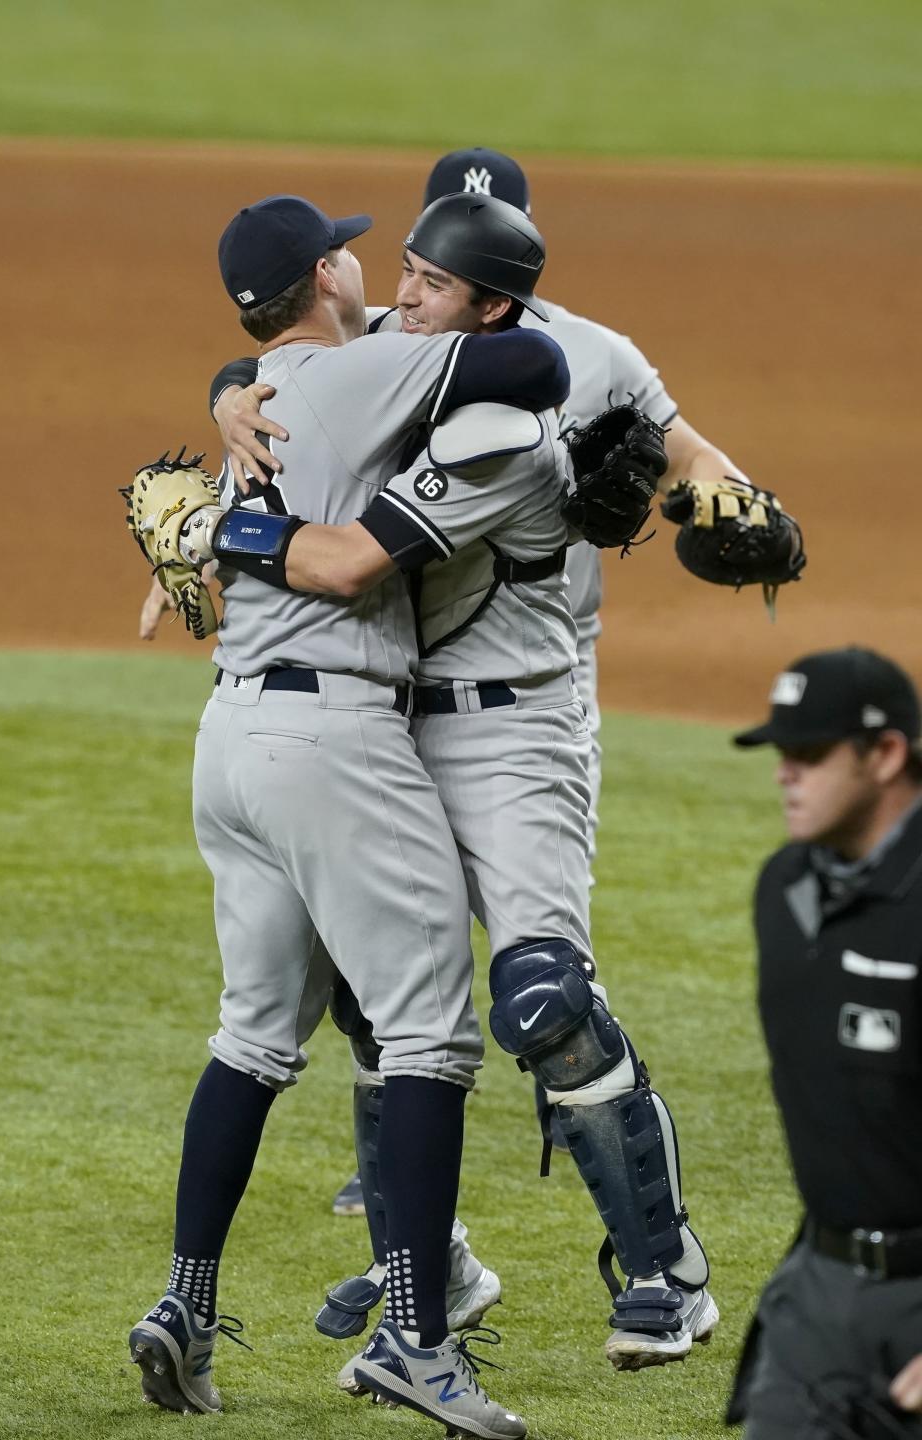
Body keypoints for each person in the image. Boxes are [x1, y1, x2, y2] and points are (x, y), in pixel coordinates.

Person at [189, 192, 717, 1378]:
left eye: (430, 284)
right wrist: (231, 395)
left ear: (487, 303)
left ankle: (665, 1274)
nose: (400, 298)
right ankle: (431, 1277)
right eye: (403, 273)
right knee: (380, 1008)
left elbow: (359, 546)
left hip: (517, 734)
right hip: (390, 725)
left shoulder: (512, 404)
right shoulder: (394, 352)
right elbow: (285, 358)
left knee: (539, 1001)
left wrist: (233, 536)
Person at [127, 193, 571, 1436]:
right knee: (429, 1035)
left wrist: (228, 382)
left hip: (230, 738)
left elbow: (317, 359)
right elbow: (533, 355)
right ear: (330, 270)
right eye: (356, 247)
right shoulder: (370, 368)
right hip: (333, 735)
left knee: (257, 1036)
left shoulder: (261, 400)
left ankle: (185, 1306)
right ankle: (422, 1344)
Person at [728, 646, 922, 1439]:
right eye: (780, 753)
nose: (786, 774)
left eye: (808, 754)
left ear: (885, 755)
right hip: (819, 1290)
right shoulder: (784, 890)